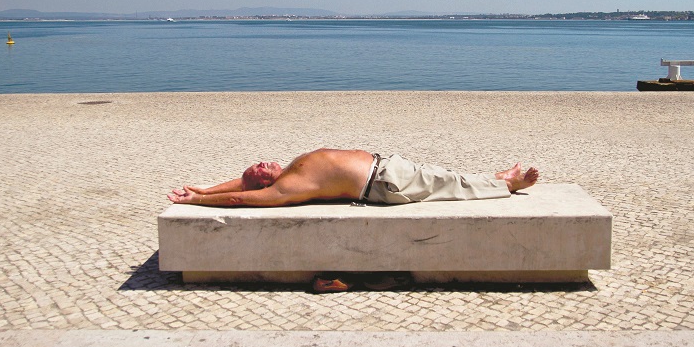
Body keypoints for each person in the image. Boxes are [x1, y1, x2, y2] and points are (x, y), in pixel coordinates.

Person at [167, 148, 539, 208]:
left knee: (447, 177)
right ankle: (508, 184)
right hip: (382, 184)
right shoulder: (285, 188)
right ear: (266, 183)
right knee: (448, 186)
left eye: (259, 163)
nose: (263, 164)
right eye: (260, 170)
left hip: (384, 167)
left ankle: (495, 178)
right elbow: (241, 197)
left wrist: (204, 187)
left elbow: (238, 185)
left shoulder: (287, 172)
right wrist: (197, 202)